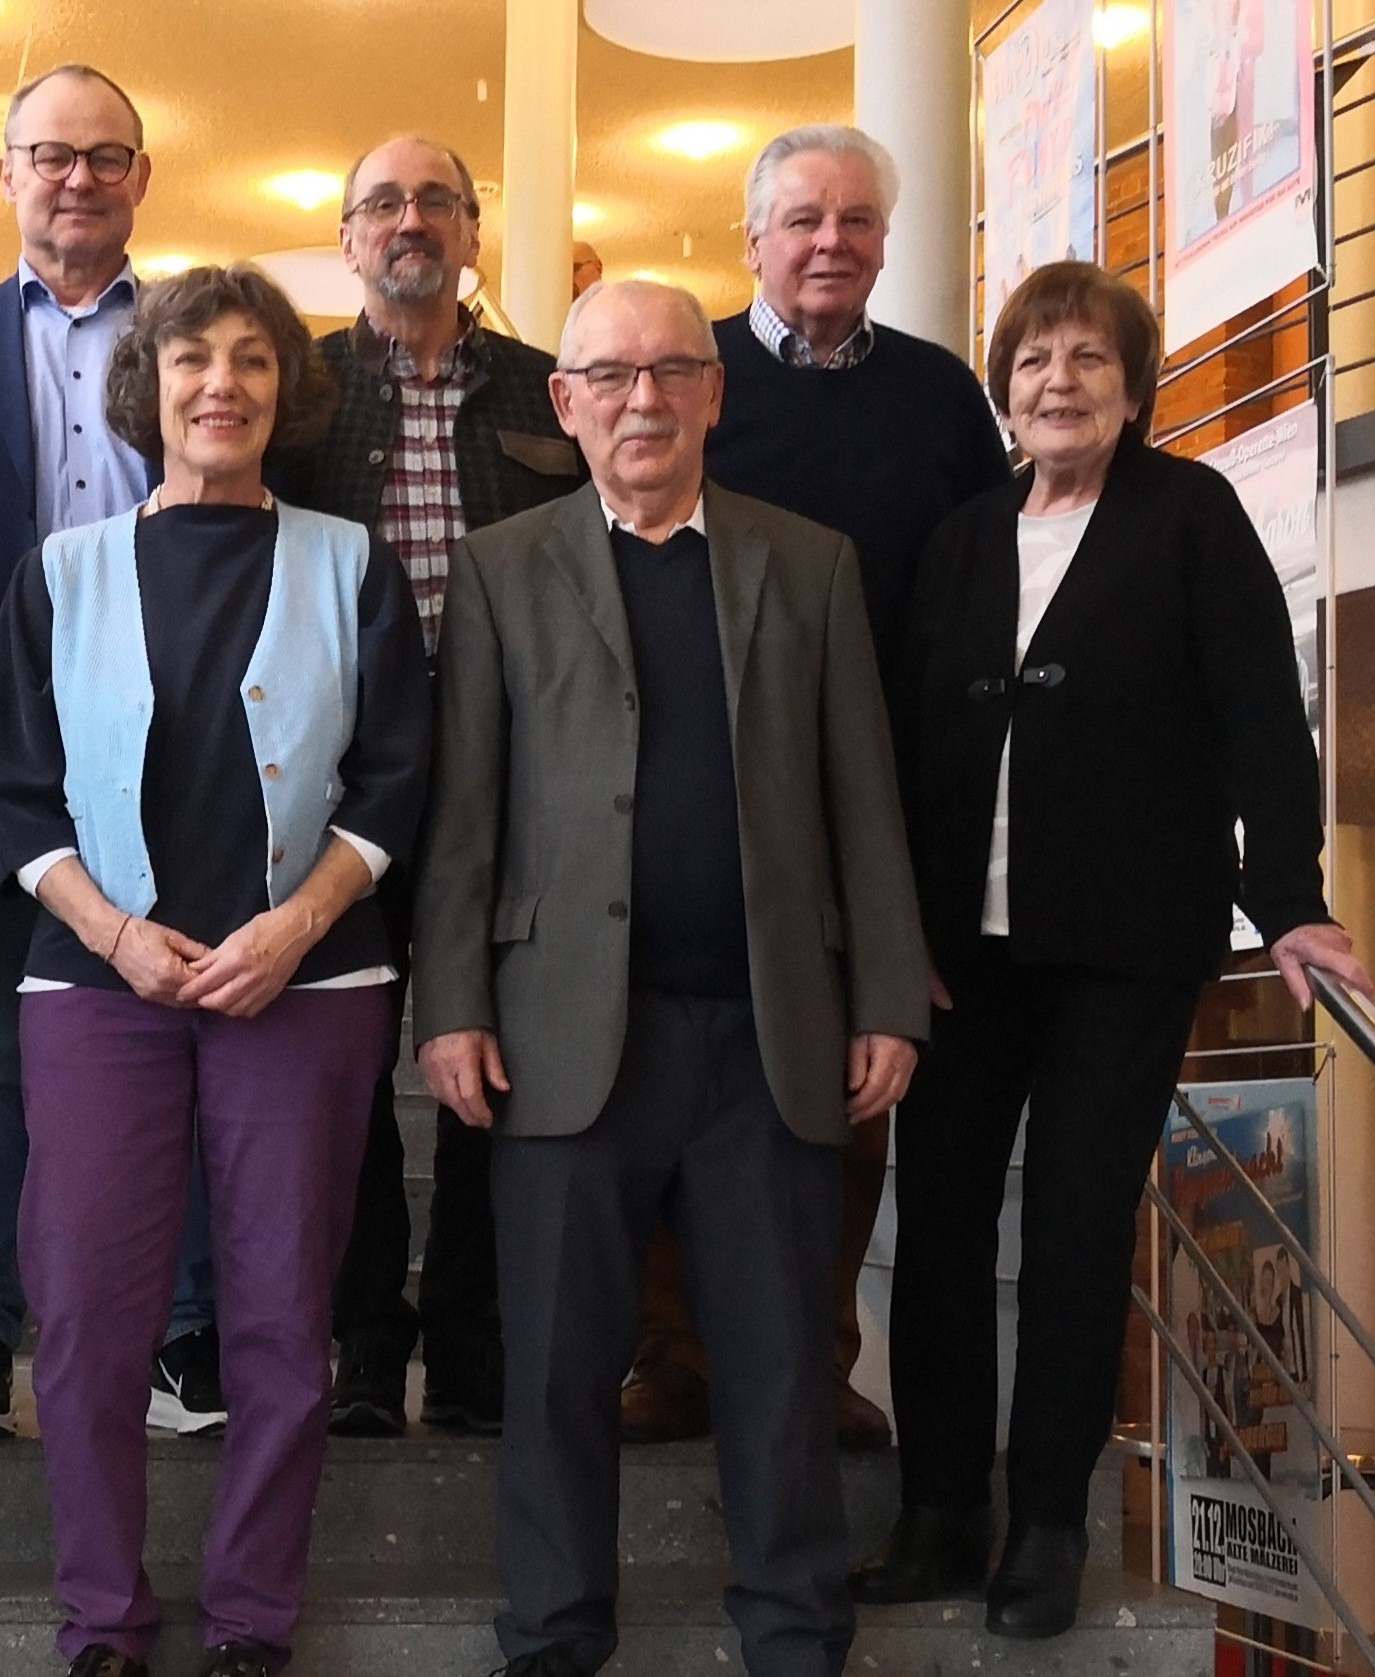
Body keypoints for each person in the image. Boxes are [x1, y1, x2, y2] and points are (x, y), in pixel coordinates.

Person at [413, 279, 931, 1677]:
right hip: (559, 1036)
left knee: (777, 1368)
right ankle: (552, 1637)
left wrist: (887, 994)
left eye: (668, 372)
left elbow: (861, 796)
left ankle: (793, 1637)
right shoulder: (500, 567)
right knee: (555, 1370)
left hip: (767, 1035)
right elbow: (463, 813)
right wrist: (449, 1004)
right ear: (564, 403)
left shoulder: (807, 564)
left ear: (713, 394)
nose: (639, 399)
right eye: (608, 376)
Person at [852, 259, 1370, 1639]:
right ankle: (938, 1512)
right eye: (1032, 360)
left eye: (1086, 358)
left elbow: (1261, 716)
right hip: (960, 955)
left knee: (1076, 1233)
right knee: (939, 1226)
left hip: (1125, 947)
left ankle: (1043, 1524)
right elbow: (901, 745)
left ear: (1131, 388)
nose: (1057, 381)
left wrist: (1289, 898)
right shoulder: (962, 539)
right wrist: (894, 932)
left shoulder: (1188, 516)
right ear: (1002, 389)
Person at [0, 264, 427, 1677]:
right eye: (191, 358)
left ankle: (250, 1617)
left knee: (283, 1314)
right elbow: (18, 798)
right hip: (94, 987)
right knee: (86, 1316)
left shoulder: (351, 565)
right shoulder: (60, 572)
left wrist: (293, 926)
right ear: (148, 384)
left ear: (284, 391)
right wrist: (116, 934)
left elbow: (395, 778)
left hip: (306, 985)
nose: (220, 383)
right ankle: (101, 1617)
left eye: (250, 358)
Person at [629, 122, 1015, 1450]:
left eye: (854, 221)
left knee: (843, 1101)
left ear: (883, 243)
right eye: (801, 220)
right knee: (670, 1086)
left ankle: (814, 1358)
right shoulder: (689, 374)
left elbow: (981, 587)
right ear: (752, 239)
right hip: (694, 787)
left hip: (870, 798)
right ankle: (673, 1358)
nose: (828, 243)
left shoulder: (936, 394)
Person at [0, 63, 230, 1443]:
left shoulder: (195, 335)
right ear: (6, 175)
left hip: (177, 755)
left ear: (141, 176)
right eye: (50, 156)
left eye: (104, 156)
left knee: (179, 1043)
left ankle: (183, 1336)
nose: (77, 179)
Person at [270, 133, 584, 1438]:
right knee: (343, 1064)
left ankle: (469, 1347)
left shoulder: (549, 388)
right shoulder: (292, 388)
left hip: (515, 776)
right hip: (337, 779)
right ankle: (360, 1344)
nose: (410, 221)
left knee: (488, 1066)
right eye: (382, 202)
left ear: (470, 230)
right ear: (347, 236)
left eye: (435, 201)